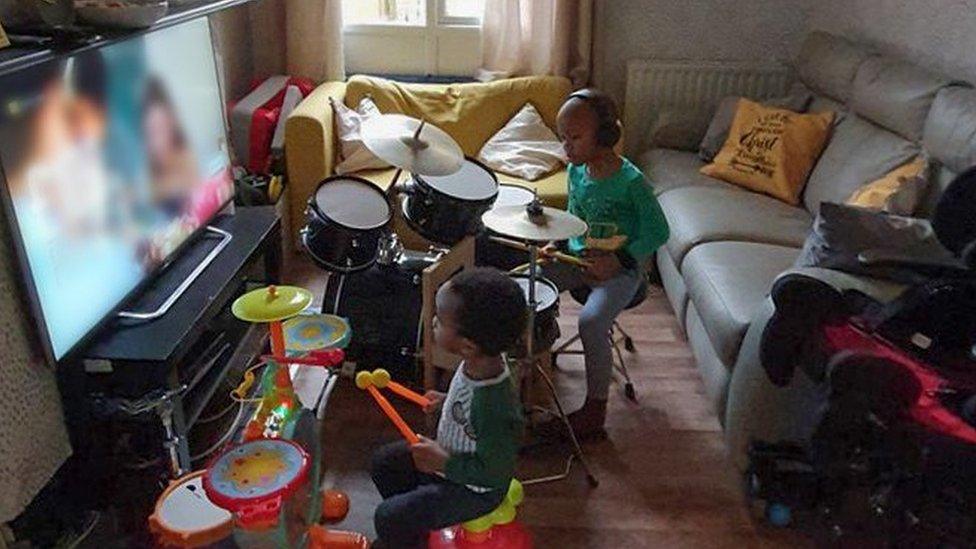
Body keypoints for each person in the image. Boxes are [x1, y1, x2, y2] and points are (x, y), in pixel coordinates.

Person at [542, 88, 670, 438]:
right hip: (580, 260)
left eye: (575, 137)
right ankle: (529, 369)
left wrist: (619, 260)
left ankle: (594, 411)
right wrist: (558, 244)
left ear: (604, 136)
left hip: (622, 271)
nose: (565, 146)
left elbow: (659, 231)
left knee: (593, 321)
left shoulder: (631, 182)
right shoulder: (577, 173)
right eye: (562, 137)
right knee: (528, 283)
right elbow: (574, 218)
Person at [370, 268, 526, 548]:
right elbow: (468, 409)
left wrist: (443, 463)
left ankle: (407, 528)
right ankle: (414, 526)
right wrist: (445, 401)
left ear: (466, 346)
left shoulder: (493, 406)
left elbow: (494, 472)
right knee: (384, 463)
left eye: (440, 321)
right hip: (450, 464)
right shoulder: (481, 361)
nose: (432, 322)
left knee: (388, 518)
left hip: (475, 490)